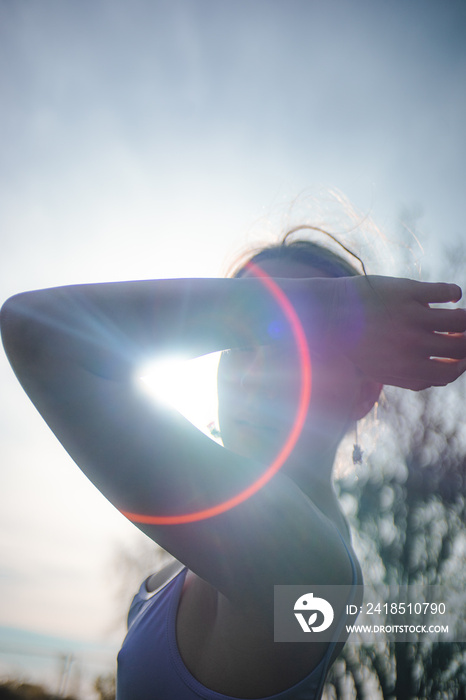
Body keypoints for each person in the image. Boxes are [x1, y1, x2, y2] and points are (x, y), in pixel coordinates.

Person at [2, 231, 466, 699]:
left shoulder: (306, 563)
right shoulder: (222, 537)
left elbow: (37, 331)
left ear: (364, 393)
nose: (254, 373)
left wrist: (335, 307)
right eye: (241, 344)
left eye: (300, 343)